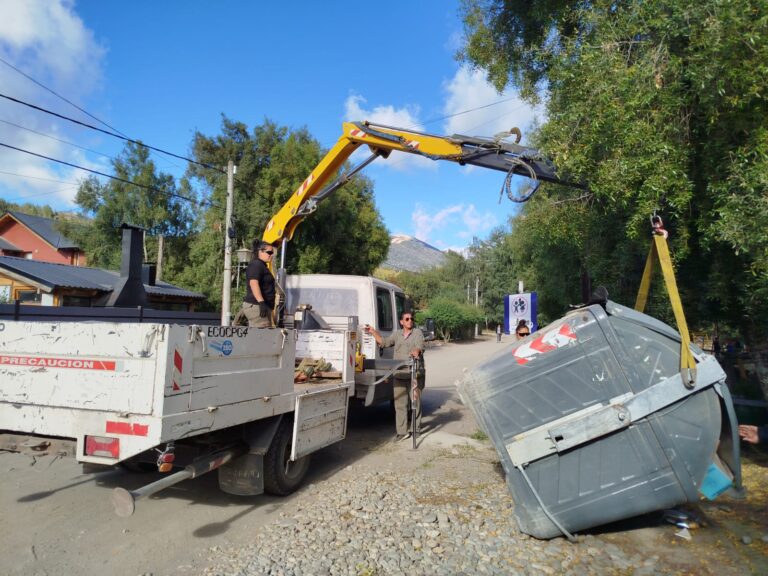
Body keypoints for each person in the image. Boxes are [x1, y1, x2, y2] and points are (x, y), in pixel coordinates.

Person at [365, 311, 425, 442]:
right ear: (401, 322)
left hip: (415, 374)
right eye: (407, 319)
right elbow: (384, 342)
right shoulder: (397, 334)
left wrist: (417, 351)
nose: (410, 321)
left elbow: (420, 346)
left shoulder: (417, 333)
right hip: (399, 374)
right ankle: (402, 432)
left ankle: (416, 429)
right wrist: (373, 332)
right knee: (400, 404)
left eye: (411, 319)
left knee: (416, 403)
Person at [241, 240, 276, 328]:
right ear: (260, 251)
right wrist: (261, 303)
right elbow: (253, 283)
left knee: (263, 335)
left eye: (272, 253)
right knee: (263, 336)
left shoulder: (262, 265)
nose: (271, 255)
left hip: (260, 306)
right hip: (257, 306)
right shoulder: (256, 265)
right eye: (269, 252)